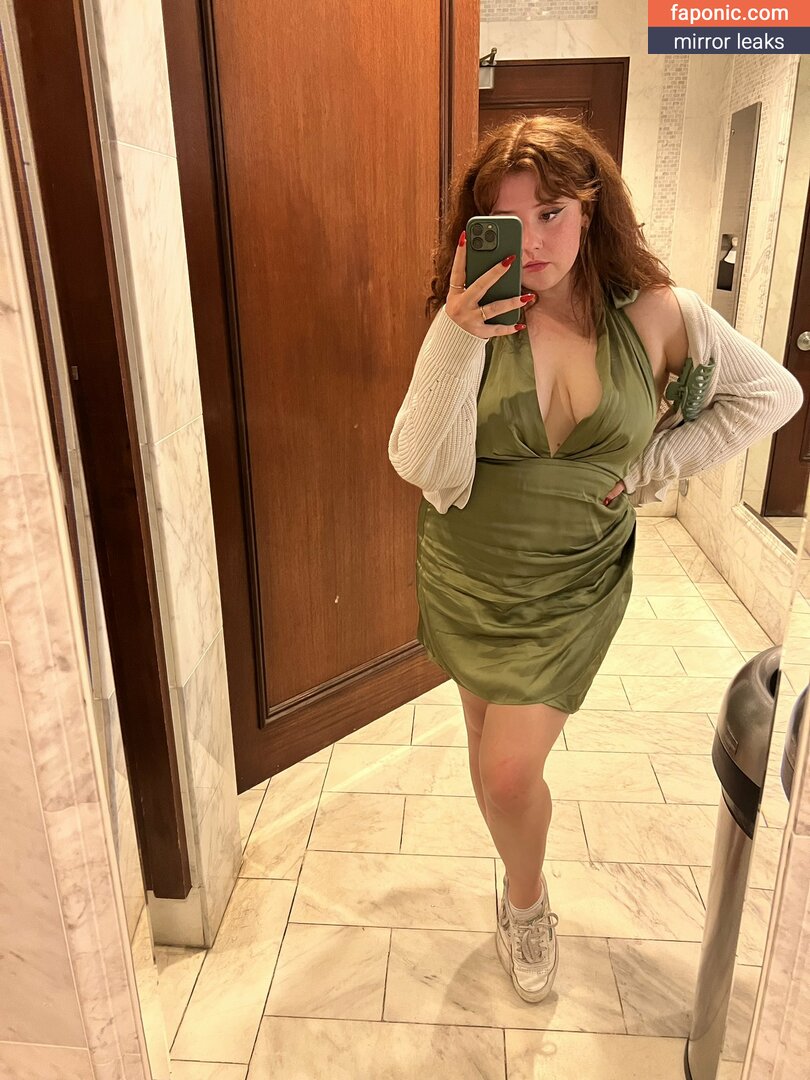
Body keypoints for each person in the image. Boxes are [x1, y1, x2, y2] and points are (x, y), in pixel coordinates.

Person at [387, 114, 803, 1005]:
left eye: (550, 215)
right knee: (488, 752)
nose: (532, 242)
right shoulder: (471, 317)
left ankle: (526, 902)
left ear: (590, 208)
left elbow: (772, 393)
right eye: (506, 221)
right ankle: (520, 876)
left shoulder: (660, 314)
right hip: (467, 567)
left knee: (509, 771)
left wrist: (652, 465)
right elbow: (418, 461)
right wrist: (455, 334)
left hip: (576, 579)